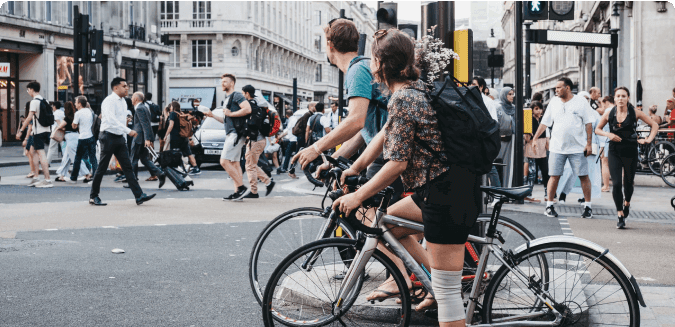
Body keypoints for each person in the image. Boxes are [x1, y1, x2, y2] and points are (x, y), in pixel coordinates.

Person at [334, 29, 479, 326]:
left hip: (446, 196)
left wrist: (358, 195)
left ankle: (440, 286)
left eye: (374, 57)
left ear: (380, 63)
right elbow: (387, 132)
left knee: (450, 298)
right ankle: (430, 281)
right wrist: (356, 168)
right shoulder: (415, 90)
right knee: (380, 223)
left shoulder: (405, 98)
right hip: (436, 191)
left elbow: (397, 164)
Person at [294, 18, 390, 185]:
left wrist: (316, 148)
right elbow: (363, 131)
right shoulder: (364, 66)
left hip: (386, 157)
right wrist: (334, 160)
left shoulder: (357, 71)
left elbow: (356, 121)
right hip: (383, 152)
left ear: (330, 46)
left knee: (363, 206)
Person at [595, 87, 658, 229]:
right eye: (618, 96)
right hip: (614, 151)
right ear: (615, 98)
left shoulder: (635, 112)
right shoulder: (609, 113)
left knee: (628, 183)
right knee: (616, 184)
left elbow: (654, 125)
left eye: (623, 96)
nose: (621, 98)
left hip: (630, 151)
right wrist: (608, 135)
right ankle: (620, 215)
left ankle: (627, 203)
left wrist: (648, 139)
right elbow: (597, 129)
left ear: (628, 97)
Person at [532, 77, 594, 219]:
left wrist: (588, 144)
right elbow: (545, 122)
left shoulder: (581, 101)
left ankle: (588, 207)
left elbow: (588, 123)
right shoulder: (553, 102)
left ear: (567, 88)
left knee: (583, 176)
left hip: (577, 148)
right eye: (556, 88)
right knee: (554, 176)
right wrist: (535, 138)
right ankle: (549, 206)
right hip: (557, 147)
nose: (556, 90)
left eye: (559, 88)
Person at [88, 77, 156, 206]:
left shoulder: (124, 102)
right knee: (102, 168)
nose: (127, 88)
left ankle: (139, 195)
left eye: (127, 86)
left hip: (119, 137)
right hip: (108, 136)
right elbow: (111, 120)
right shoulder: (109, 101)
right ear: (115, 88)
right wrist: (128, 130)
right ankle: (93, 196)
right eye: (124, 86)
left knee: (128, 167)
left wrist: (124, 133)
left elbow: (120, 120)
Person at [203, 73, 252, 200]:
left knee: (224, 161)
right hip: (231, 133)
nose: (222, 84)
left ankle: (241, 187)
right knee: (234, 163)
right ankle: (237, 192)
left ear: (232, 83)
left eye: (225, 82)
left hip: (236, 134)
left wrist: (231, 113)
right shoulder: (227, 99)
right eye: (222, 82)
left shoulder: (237, 95)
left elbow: (247, 109)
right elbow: (226, 119)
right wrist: (212, 116)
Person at [238, 85, 275, 200]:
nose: (243, 96)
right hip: (260, 140)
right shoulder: (258, 105)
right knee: (251, 165)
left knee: (249, 166)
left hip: (255, 140)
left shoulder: (250, 106)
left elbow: (252, 124)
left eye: (243, 93)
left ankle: (254, 191)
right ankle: (268, 182)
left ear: (247, 93)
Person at [16, 81, 53, 188]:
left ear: (32, 89)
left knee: (41, 154)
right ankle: (36, 177)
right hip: (46, 130)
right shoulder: (44, 100)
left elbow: (29, 117)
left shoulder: (34, 102)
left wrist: (21, 130)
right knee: (33, 151)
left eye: (28, 90)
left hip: (38, 132)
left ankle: (47, 179)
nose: (28, 92)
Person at [129, 92, 166, 187]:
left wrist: (147, 139)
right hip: (142, 137)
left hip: (139, 137)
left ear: (136, 99)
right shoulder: (144, 107)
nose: (131, 99)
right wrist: (149, 138)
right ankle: (160, 174)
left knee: (133, 159)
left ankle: (133, 181)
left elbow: (145, 124)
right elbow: (147, 124)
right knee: (144, 159)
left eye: (132, 97)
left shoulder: (140, 108)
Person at [471, 77, 501, 191]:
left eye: (474, 84)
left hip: (484, 139)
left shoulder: (488, 102)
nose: (471, 86)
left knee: (490, 166)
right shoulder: (469, 99)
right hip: (474, 139)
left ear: (481, 87)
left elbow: (494, 121)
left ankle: (497, 192)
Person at [55, 101, 90, 182]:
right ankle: (61, 175)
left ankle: (87, 174)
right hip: (76, 136)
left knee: (75, 157)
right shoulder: (75, 116)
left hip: (70, 137)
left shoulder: (67, 118)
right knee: (66, 157)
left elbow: (60, 126)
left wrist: (62, 128)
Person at [164, 101, 200, 174]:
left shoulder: (173, 114)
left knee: (175, 153)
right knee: (188, 153)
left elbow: (171, 125)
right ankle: (196, 168)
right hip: (184, 137)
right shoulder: (182, 113)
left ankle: (183, 167)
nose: (170, 107)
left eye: (171, 106)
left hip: (175, 137)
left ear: (173, 107)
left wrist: (166, 135)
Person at [68, 96, 98, 184]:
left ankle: (74, 177)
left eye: (76, 102)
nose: (75, 104)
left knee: (77, 158)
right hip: (91, 137)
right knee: (93, 158)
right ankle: (96, 177)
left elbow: (74, 126)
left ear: (80, 104)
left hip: (82, 138)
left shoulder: (78, 113)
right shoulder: (89, 111)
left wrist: (75, 124)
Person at [524, 101, 549, 200]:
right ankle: (528, 194)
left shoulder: (543, 119)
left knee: (545, 171)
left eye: (540, 108)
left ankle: (548, 194)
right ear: (532, 109)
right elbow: (527, 137)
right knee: (532, 172)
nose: (539, 111)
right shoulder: (528, 118)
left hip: (542, 146)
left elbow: (547, 133)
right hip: (532, 147)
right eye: (536, 109)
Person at [496, 87, 515, 188]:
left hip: (511, 141)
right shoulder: (498, 108)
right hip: (499, 141)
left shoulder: (514, 108)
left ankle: (507, 188)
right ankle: (497, 189)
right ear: (504, 95)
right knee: (497, 166)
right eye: (510, 94)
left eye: (512, 94)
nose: (512, 96)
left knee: (509, 166)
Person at [599, 95, 614, 192]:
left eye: (603, 104)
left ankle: (606, 185)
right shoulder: (618, 110)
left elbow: (602, 129)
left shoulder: (607, 112)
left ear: (607, 102)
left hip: (607, 140)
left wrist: (602, 145)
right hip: (618, 140)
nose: (602, 107)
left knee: (604, 162)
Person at [45, 101, 65, 166]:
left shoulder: (55, 113)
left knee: (51, 148)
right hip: (63, 132)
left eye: (52, 106)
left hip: (56, 132)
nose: (52, 107)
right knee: (64, 147)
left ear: (55, 107)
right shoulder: (62, 112)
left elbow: (58, 123)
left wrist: (61, 128)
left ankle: (47, 163)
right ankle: (66, 161)